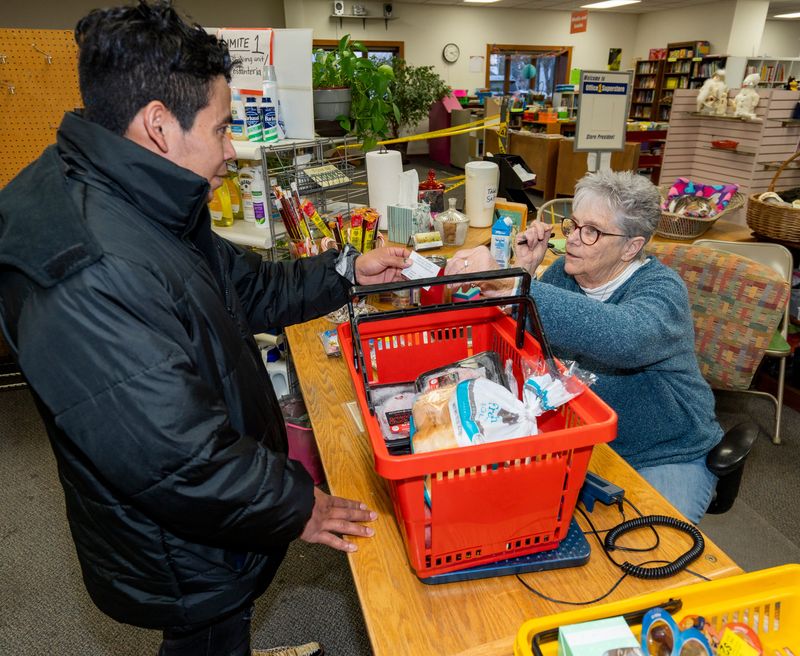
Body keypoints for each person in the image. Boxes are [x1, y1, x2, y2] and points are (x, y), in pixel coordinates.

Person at [0, 3, 410, 655]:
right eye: (221, 130)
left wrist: (346, 268)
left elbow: (245, 286)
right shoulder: (89, 267)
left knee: (220, 631)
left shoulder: (139, 195)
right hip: (178, 542)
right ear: (159, 126)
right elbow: (181, 458)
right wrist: (297, 503)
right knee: (207, 634)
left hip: (203, 520)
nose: (228, 151)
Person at [445, 170, 722, 523]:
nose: (573, 239)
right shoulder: (565, 271)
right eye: (573, 224)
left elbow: (623, 338)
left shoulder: (663, 291)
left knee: (656, 553)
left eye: (591, 231)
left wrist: (517, 285)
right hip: (585, 435)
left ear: (631, 247)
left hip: (665, 451)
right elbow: (532, 350)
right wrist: (522, 274)